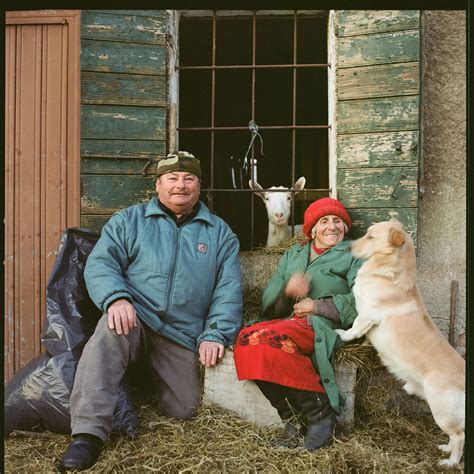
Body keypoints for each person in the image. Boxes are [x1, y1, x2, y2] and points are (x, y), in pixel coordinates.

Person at [59, 151, 243, 471]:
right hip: (136, 317)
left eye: (189, 179)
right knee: (109, 334)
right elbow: (102, 263)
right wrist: (116, 299)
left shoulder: (219, 233)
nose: (180, 185)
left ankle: (138, 380)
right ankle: (87, 435)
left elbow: (228, 291)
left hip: (181, 333)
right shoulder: (129, 220)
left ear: (200, 186)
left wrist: (215, 333)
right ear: (158, 185)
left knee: (185, 407)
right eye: (172, 178)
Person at [233, 197, 362, 451]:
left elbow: (366, 297)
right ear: (312, 229)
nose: (331, 227)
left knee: (273, 339)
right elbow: (269, 301)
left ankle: (322, 416)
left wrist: (319, 306)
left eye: (337, 221)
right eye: (324, 221)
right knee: (246, 339)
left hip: (321, 322)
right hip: (286, 321)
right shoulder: (295, 253)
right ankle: (292, 420)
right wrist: (287, 293)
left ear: (345, 228)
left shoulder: (354, 253)